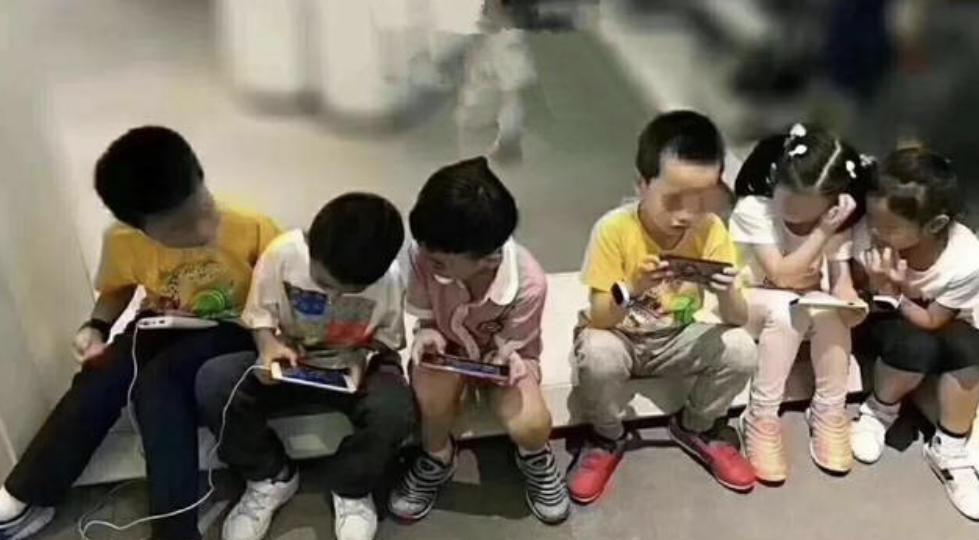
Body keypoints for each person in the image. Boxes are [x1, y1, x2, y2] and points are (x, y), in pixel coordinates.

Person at [0, 126, 280, 540]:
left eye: (203, 208)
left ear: (201, 178)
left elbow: (277, 298)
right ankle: (29, 493)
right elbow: (117, 289)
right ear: (140, 228)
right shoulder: (122, 239)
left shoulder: (253, 226)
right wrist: (96, 327)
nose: (203, 229)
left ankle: (174, 531)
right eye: (179, 229)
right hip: (159, 323)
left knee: (158, 384)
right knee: (102, 372)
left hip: (232, 328)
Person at [195, 193, 415, 540]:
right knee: (216, 381)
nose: (335, 297)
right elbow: (260, 316)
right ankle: (270, 476)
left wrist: (362, 356)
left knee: (395, 409)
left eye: (352, 290)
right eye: (325, 284)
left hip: (354, 361)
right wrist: (267, 346)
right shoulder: (283, 253)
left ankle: (352, 488)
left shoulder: (390, 278)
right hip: (291, 356)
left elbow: (386, 339)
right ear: (311, 244)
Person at [567, 111, 758, 504]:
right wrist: (631, 287)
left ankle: (696, 425)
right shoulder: (613, 229)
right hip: (620, 335)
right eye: (672, 200)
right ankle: (606, 436)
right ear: (641, 184)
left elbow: (737, 319)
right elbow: (600, 318)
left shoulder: (711, 230)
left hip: (676, 336)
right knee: (598, 354)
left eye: (702, 199)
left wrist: (726, 292)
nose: (686, 214)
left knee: (741, 349)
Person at [388, 157, 570, 524]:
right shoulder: (423, 254)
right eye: (423, 249)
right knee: (429, 389)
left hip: (505, 357)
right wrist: (427, 330)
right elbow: (426, 314)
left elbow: (514, 344)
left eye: (440, 262)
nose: (426, 261)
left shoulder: (529, 283)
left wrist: (507, 358)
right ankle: (437, 455)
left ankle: (535, 456)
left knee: (531, 424)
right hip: (448, 348)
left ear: (487, 259)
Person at [730, 124, 871, 484]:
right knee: (788, 305)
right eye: (787, 199)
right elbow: (781, 275)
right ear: (775, 178)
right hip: (745, 302)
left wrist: (851, 303)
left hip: (799, 307)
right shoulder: (754, 210)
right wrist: (822, 232)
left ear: (832, 203)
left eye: (806, 208)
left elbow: (840, 282)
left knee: (828, 309)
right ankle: (760, 415)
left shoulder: (835, 223)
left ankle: (829, 410)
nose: (792, 211)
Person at [850, 147, 979, 520]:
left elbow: (935, 319)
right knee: (913, 344)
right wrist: (876, 287)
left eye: (890, 227)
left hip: (936, 321)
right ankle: (878, 410)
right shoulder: (869, 232)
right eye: (873, 219)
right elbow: (856, 294)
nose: (876, 231)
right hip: (883, 323)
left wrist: (895, 292)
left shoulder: (966, 258)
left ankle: (950, 448)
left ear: (935, 225)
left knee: (970, 348)